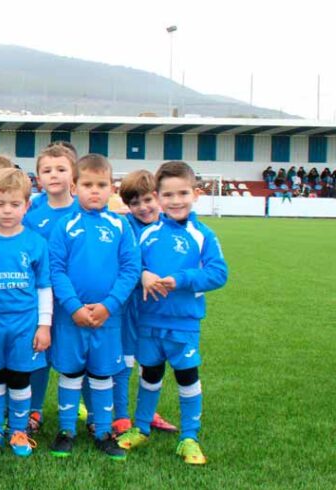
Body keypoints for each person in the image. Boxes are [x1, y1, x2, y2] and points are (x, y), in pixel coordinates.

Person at [116, 161, 228, 466]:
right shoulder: (145, 233)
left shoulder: (203, 235)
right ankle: (140, 428)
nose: (176, 200)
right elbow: (129, 264)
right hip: (148, 320)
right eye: (168, 195)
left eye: (182, 193)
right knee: (149, 374)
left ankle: (189, 437)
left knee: (187, 375)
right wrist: (143, 275)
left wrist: (182, 279)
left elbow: (219, 273)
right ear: (158, 196)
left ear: (196, 194)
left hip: (184, 323)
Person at [47, 154, 139, 460]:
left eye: (101, 185)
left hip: (108, 319)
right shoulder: (64, 225)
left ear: (111, 188)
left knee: (102, 375)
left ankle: (103, 431)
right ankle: (66, 430)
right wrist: (73, 306)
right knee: (71, 373)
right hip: (69, 319)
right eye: (88, 184)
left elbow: (130, 269)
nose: (94, 191)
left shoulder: (121, 225)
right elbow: (56, 269)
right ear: (74, 186)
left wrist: (109, 306)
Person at [0, 168, 51, 458]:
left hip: (24, 322)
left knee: (19, 377)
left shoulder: (36, 243)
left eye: (15, 204)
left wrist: (44, 325)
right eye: (0, 204)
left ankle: (18, 430)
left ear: (27, 206)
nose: (7, 210)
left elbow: (43, 287)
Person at [21, 143, 79, 433]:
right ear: (38, 177)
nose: (54, 175)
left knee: (75, 354)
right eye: (47, 170)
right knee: (39, 353)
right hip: (41, 299)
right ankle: (34, 409)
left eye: (61, 169)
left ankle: (84, 410)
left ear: (73, 174)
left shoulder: (85, 211)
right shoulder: (31, 217)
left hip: (76, 300)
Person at [116, 170, 178, 435]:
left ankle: (147, 413)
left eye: (148, 200)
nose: (142, 208)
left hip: (158, 309)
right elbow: (123, 260)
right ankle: (119, 415)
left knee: (151, 363)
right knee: (124, 361)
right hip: (129, 306)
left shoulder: (170, 227)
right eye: (134, 203)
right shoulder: (124, 226)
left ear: (158, 197)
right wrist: (142, 274)